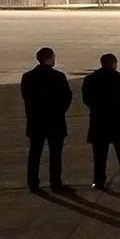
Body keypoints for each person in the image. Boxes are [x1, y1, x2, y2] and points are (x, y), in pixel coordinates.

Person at [82, 53, 120, 189]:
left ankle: (99, 181)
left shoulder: (90, 79)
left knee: (99, 157)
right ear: (114, 63)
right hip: (119, 121)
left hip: (99, 121)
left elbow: (86, 99)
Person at [21, 47, 72, 192]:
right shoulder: (59, 76)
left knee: (34, 153)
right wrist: (59, 111)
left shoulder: (28, 77)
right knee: (55, 155)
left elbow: (27, 97)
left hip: (35, 121)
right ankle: (55, 183)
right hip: (55, 121)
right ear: (50, 58)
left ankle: (33, 183)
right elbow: (67, 97)